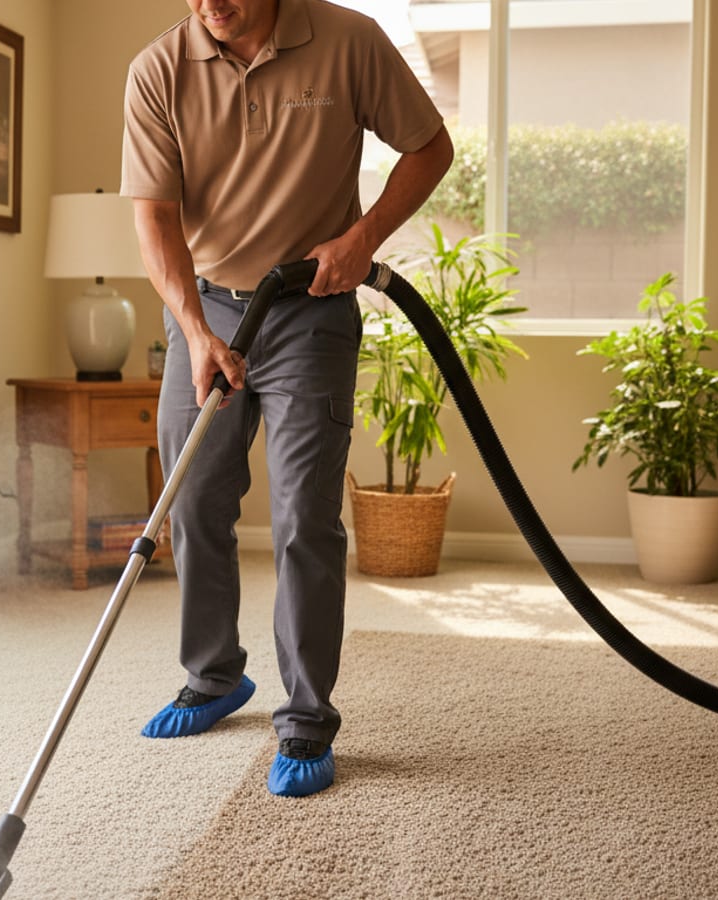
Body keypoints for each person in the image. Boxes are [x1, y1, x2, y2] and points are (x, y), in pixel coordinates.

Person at [121, 0, 453, 797]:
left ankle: (305, 717)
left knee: (305, 515)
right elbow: (154, 217)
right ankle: (213, 676)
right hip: (208, 312)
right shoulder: (158, 70)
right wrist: (195, 333)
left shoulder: (347, 41)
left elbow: (429, 148)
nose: (213, 5)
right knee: (192, 497)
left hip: (311, 310)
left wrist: (362, 238)